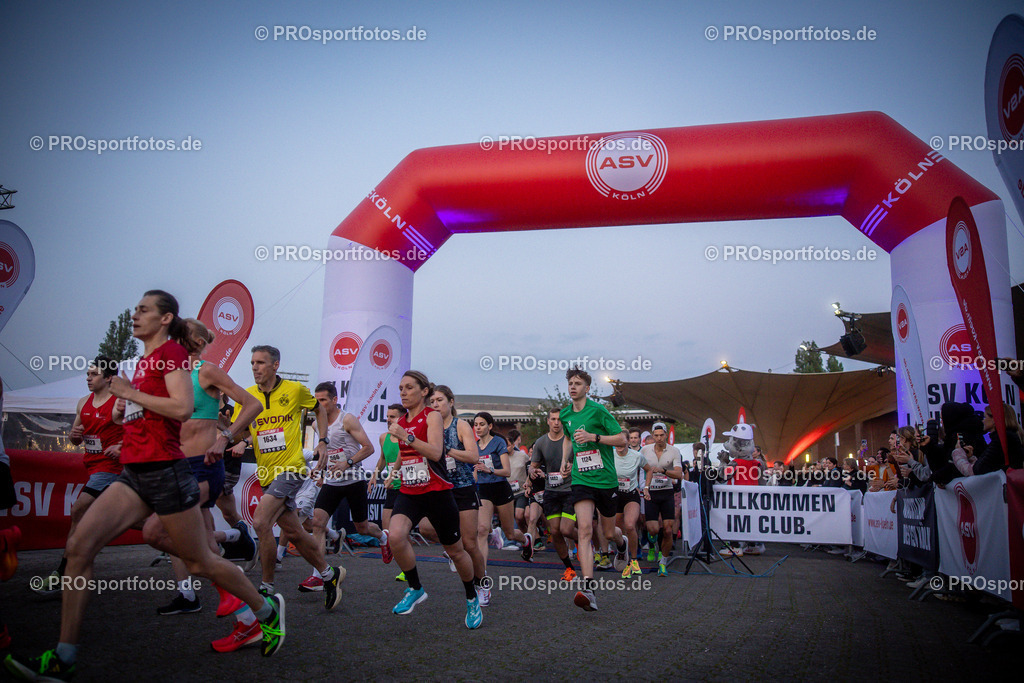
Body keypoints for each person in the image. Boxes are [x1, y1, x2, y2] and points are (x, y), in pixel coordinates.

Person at [5, 291, 286, 681]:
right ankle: (64, 656)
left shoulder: (174, 357)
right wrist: (125, 416)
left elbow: (183, 408)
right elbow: (153, 416)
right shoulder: (144, 362)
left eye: (143, 310)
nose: (134, 314)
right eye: (135, 308)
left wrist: (221, 436)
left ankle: (264, 610)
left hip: (171, 472)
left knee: (199, 558)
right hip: (135, 472)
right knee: (80, 545)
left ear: (166, 319)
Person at [145, 319, 262, 616]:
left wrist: (224, 437)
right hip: (175, 465)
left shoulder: (206, 371)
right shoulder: (170, 376)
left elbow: (252, 405)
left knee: (158, 530)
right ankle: (238, 608)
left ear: (195, 342)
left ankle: (250, 602)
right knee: (201, 542)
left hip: (203, 465)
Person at [234, 345, 344, 609]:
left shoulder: (294, 390)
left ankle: (266, 588)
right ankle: (330, 575)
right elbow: (237, 432)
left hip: (291, 467)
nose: (255, 368)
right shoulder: (247, 397)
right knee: (293, 531)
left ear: (275, 365)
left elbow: (318, 408)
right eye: (252, 363)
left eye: (260, 362)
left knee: (261, 522)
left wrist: (323, 441)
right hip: (265, 471)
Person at [385, 371, 482, 629]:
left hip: (436, 491)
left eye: (409, 387)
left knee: (456, 550)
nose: (403, 392)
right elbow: (405, 455)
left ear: (424, 391)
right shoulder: (403, 420)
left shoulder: (433, 416)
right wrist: (393, 473)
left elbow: (436, 451)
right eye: (400, 388)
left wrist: (406, 436)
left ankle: (472, 597)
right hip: (409, 491)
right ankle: (415, 588)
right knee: (395, 536)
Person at [34, 356, 125, 595]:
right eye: (87, 374)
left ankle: (63, 574)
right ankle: (169, 535)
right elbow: (76, 438)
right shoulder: (83, 403)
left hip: (112, 469)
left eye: (93, 374)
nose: (88, 378)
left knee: (78, 510)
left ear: (108, 378)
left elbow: (143, 432)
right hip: (93, 466)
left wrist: (122, 446)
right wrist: (74, 436)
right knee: (129, 521)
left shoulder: (119, 404)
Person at [298, 381, 383, 591]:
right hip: (332, 481)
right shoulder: (317, 424)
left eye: (323, 400)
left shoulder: (347, 419)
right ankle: (319, 574)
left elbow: (369, 448)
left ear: (335, 400)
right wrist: (319, 469)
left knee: (362, 526)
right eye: (316, 401)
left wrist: (348, 462)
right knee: (317, 523)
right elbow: (327, 452)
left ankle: (383, 537)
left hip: (354, 479)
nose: (319, 404)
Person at [558, 367, 628, 611]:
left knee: (608, 534)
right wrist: (565, 460)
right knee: (585, 529)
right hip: (581, 479)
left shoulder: (598, 411)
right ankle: (588, 588)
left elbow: (621, 439)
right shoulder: (566, 413)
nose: (573, 386)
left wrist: (593, 437)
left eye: (578, 383)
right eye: (570, 383)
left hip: (606, 480)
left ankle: (622, 544)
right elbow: (568, 436)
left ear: (587, 388)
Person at [418, 386, 487, 603]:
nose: (435, 404)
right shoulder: (429, 426)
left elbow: (474, 456)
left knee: (470, 543)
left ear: (451, 402)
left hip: (463, 488)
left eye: (440, 400)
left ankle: (482, 584)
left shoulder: (461, 425)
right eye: (432, 401)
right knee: (425, 528)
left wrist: (446, 450)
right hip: (438, 488)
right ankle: (451, 547)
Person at [473, 412, 533, 568]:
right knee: (482, 530)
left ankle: (526, 541)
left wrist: (489, 470)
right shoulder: (474, 446)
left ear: (490, 426)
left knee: (510, 533)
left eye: (482, 424)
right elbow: (474, 472)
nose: (478, 428)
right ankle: (482, 575)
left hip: (501, 488)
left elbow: (507, 471)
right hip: (484, 490)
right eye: (476, 425)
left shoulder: (499, 442)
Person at [527, 408, 577, 581]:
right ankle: (569, 569)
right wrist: (531, 474)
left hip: (570, 489)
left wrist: (572, 466)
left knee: (566, 529)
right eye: (553, 419)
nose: (556, 423)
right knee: (555, 531)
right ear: (548, 421)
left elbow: (581, 460)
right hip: (551, 491)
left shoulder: (570, 440)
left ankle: (585, 540)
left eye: (559, 420)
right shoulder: (541, 442)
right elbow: (533, 465)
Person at [369, 403, 407, 581]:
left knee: (401, 532)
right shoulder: (384, 438)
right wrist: (374, 476)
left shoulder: (407, 437)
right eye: (387, 416)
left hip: (407, 487)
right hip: (391, 487)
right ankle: (403, 564)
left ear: (402, 418)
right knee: (387, 531)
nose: (388, 419)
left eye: (392, 416)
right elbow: (383, 459)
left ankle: (407, 570)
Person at [641, 422, 684, 574]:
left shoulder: (674, 451)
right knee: (652, 529)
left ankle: (663, 562)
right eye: (656, 435)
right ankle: (652, 538)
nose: (659, 438)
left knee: (667, 529)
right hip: (651, 493)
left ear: (666, 435)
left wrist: (664, 470)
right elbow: (639, 469)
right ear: (652, 436)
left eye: (661, 435)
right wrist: (643, 487)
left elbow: (679, 474)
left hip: (667, 492)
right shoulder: (645, 450)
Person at [614, 438, 650, 578]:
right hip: (615, 496)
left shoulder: (637, 456)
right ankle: (624, 557)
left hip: (631, 495)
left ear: (627, 443)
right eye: (616, 443)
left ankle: (634, 560)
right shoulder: (610, 455)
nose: (619, 446)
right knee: (619, 532)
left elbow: (649, 470)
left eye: (622, 443)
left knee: (630, 525)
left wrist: (646, 487)